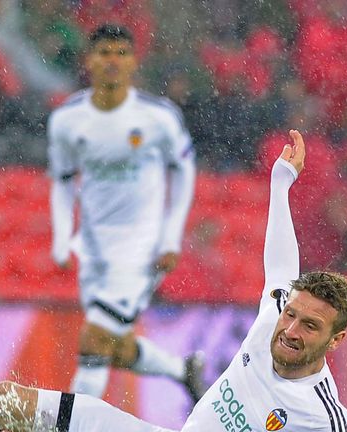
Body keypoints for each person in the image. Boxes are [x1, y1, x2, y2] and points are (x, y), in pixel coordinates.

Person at [0, 130, 347, 432]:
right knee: (8, 404)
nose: (290, 329)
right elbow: (281, 265)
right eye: (291, 315)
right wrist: (281, 185)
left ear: (333, 341)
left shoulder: (324, 417)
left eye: (309, 326)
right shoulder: (275, 317)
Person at [47, 24, 202, 401]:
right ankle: (183, 371)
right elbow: (62, 180)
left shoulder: (158, 117)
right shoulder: (67, 120)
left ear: (134, 61)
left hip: (140, 248)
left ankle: (71, 425)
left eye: (121, 53)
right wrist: (62, 235)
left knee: (94, 339)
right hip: (94, 248)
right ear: (89, 60)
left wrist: (170, 237)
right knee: (113, 346)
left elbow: (184, 172)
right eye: (104, 53)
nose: (112, 61)